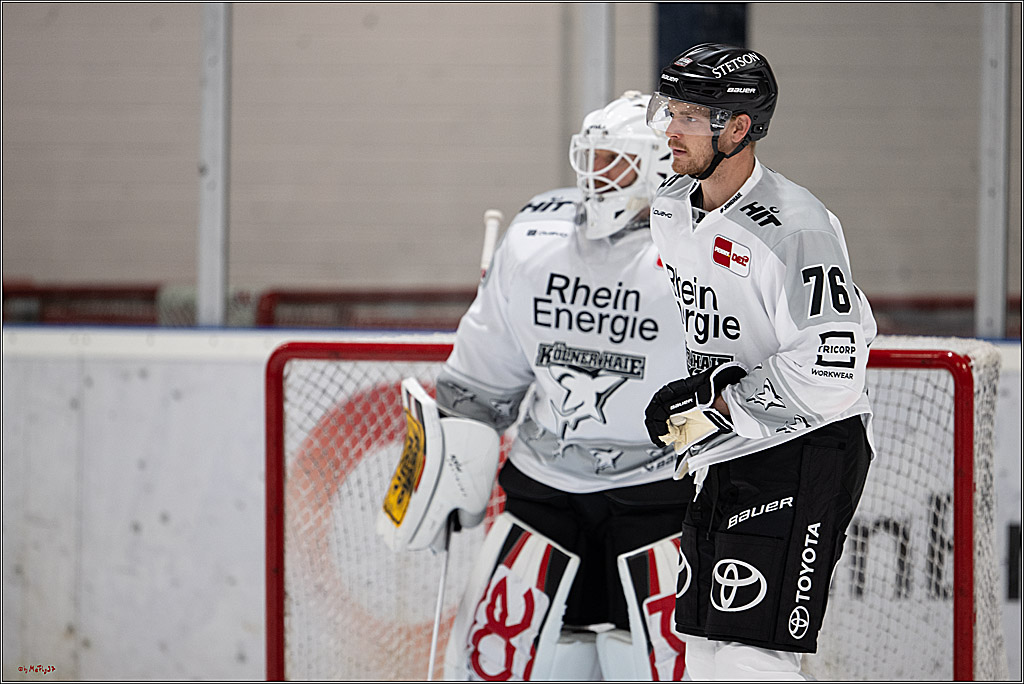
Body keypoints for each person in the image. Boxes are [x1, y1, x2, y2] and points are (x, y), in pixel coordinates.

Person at [380, 91, 692, 680]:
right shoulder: (535, 236)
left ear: (658, 164)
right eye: (592, 156)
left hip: (666, 500)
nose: (598, 174)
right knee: (500, 661)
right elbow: (485, 368)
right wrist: (451, 458)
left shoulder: (704, 250)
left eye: (617, 160)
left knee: (667, 666)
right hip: (543, 498)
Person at [641, 44, 877, 680]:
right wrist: (697, 408)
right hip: (730, 450)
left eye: (690, 115)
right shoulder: (671, 207)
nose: (671, 129)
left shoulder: (797, 228)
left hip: (806, 449)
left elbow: (831, 370)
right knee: (706, 649)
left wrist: (717, 408)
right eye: (671, 111)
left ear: (738, 127)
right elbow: (717, 326)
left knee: (751, 657)